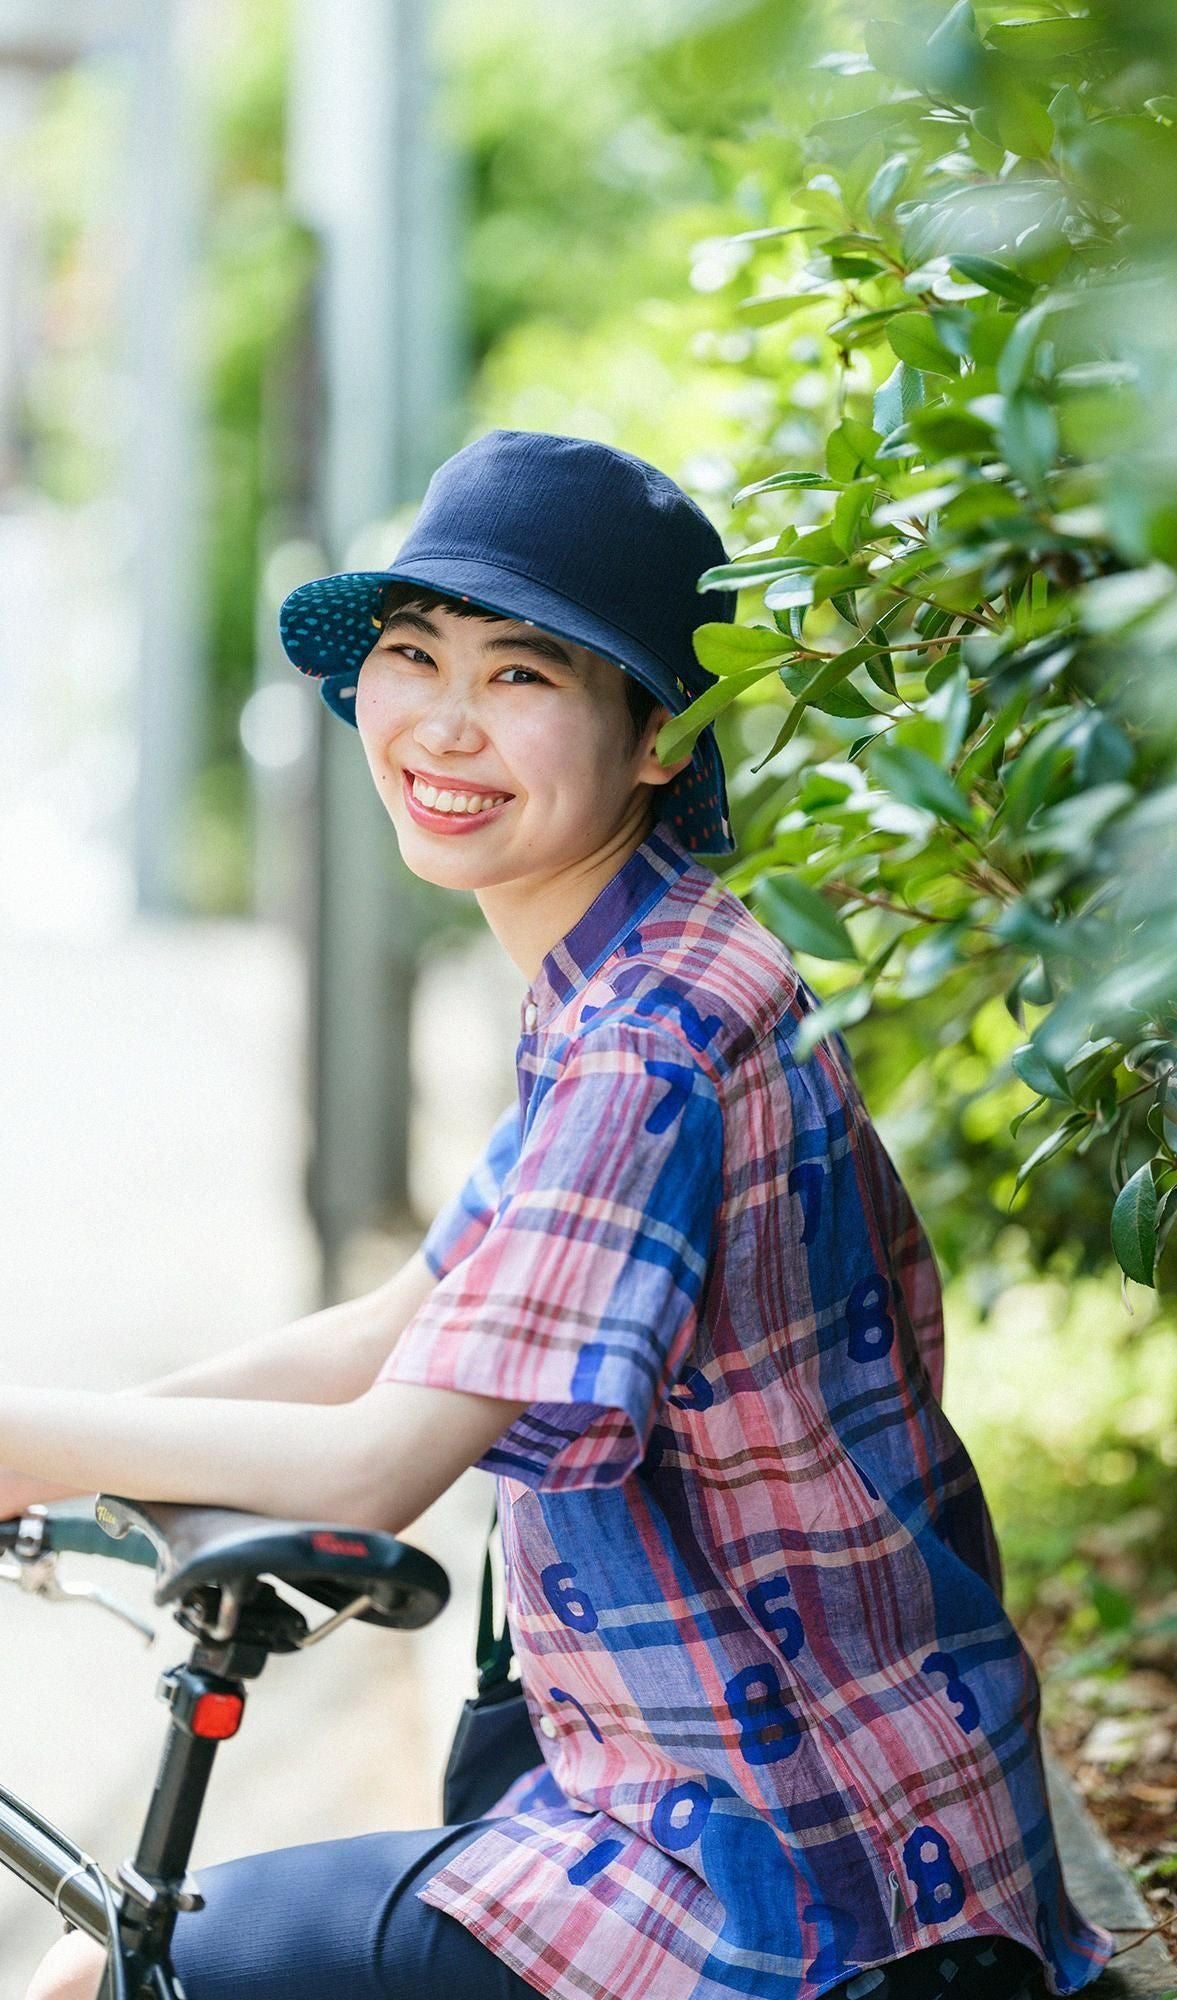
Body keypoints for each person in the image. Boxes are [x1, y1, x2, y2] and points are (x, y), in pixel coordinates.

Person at [12, 432, 1115, 2000]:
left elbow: (380, 1461)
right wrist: (59, 1452)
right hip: (740, 1792)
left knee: (91, 1982)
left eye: (522, 675)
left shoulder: (651, 1039)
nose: (442, 723)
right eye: (411, 654)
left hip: (786, 1873)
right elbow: (397, 1328)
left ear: (659, 733)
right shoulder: (628, 964)